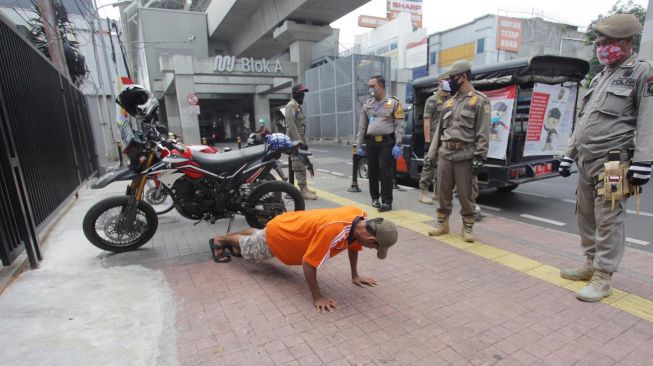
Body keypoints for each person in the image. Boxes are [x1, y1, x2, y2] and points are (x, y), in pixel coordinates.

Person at [558, 14, 652, 302]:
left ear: (625, 42)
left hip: (615, 161)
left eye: (605, 43)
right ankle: (589, 263)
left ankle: (603, 277)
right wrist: (568, 154)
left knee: (609, 218)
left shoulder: (642, 72)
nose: (600, 48)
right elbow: (584, 120)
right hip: (587, 160)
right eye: (599, 43)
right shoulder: (601, 76)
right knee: (585, 215)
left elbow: (649, 119)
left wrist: (644, 160)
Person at [208, 206, 399, 312]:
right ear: (371, 239)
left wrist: (354, 275)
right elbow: (309, 263)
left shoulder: (360, 217)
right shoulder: (333, 231)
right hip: (281, 235)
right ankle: (220, 240)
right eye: (374, 247)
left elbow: (353, 246)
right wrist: (318, 297)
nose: (371, 249)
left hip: (290, 224)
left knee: (259, 237)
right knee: (251, 249)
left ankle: (236, 237)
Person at [426, 60, 490, 243]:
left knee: (466, 194)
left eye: (452, 78)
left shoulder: (479, 100)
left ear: (463, 77)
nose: (450, 82)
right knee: (442, 192)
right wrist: (431, 155)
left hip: (465, 156)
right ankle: (442, 224)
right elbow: (439, 132)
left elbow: (483, 131)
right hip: (445, 154)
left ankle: (467, 226)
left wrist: (480, 156)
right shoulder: (449, 103)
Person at [356, 75, 405, 212]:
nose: (370, 89)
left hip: (387, 142)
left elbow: (399, 125)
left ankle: (387, 201)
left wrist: (398, 143)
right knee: (372, 171)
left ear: (381, 86)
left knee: (385, 172)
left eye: (373, 86)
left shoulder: (394, 102)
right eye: (369, 86)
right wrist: (358, 145)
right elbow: (362, 127)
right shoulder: (368, 105)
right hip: (371, 143)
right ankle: (375, 198)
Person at [418, 80, 451, 205]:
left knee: (442, 167)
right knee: (429, 165)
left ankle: (437, 193)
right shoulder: (432, 100)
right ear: (440, 88)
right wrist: (427, 141)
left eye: (448, 91)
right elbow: (427, 121)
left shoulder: (450, 101)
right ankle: (423, 193)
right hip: (433, 139)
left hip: (446, 138)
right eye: (444, 91)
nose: (446, 93)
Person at [285, 84, 317, 200]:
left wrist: (303, 141)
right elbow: (291, 125)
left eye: (303, 94)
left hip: (299, 139)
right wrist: (299, 141)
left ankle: (304, 188)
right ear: (295, 94)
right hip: (295, 141)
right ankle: (302, 190)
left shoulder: (297, 106)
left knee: (303, 162)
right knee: (298, 163)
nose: (303, 96)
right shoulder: (291, 106)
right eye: (301, 94)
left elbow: (300, 125)